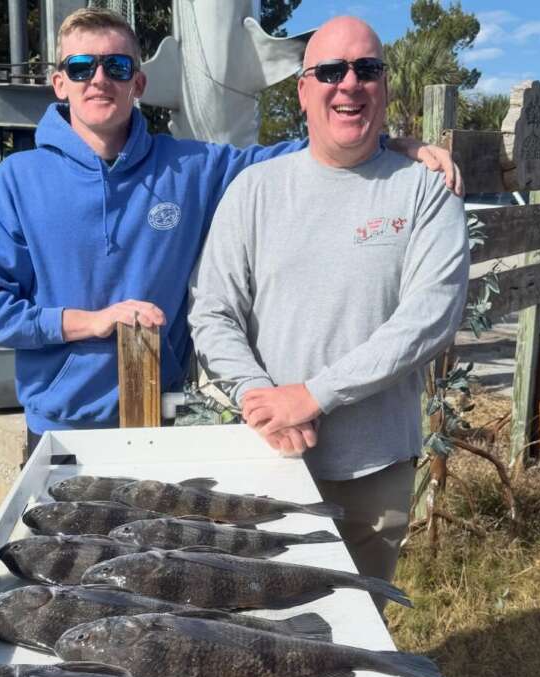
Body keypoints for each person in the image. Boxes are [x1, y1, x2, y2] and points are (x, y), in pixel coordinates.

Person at [0, 7, 461, 455]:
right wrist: (89, 322)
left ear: (139, 83)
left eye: (117, 66)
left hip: (162, 422)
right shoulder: (16, 182)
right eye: (82, 67)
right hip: (60, 430)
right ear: (60, 83)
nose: (99, 79)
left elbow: (304, 151)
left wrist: (394, 144)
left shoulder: (189, 168)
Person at [188, 15, 471, 584]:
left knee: (359, 630)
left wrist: (313, 396)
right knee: (261, 630)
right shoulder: (253, 191)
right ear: (302, 90)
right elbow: (213, 310)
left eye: (366, 69)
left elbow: (429, 319)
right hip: (268, 457)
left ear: (385, 87)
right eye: (330, 70)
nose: (349, 83)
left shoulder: (424, 192)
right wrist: (260, 396)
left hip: (374, 472)